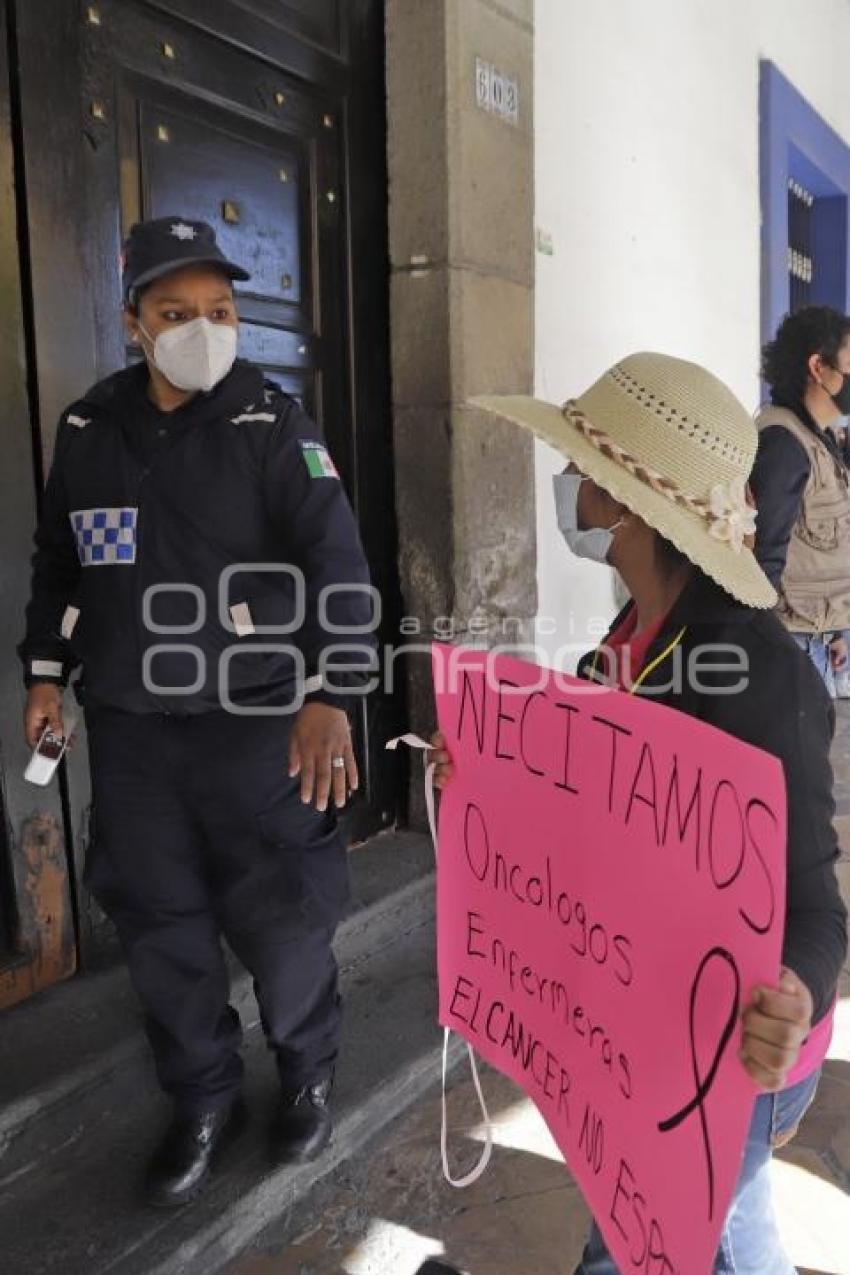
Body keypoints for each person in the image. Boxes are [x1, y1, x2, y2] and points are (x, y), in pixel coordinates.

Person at [432, 353, 847, 1272]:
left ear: (623, 505)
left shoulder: (760, 680)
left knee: (718, 1236)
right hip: (643, 1023)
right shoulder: (625, 646)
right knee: (634, 1214)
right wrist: (479, 775)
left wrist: (799, 995)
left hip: (732, 1050)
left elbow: (818, 909)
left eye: (582, 467)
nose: (568, 484)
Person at [19, 217, 375, 1207]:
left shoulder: (274, 425)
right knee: (162, 926)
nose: (204, 330)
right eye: (177, 313)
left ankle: (304, 1073)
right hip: (133, 737)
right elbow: (61, 564)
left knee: (288, 923)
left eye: (220, 311)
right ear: (133, 322)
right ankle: (203, 1097)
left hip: (260, 731)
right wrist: (45, 674)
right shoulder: (90, 430)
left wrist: (328, 691)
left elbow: (338, 572)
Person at [751, 306, 850, 697]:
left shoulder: (817, 439)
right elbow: (762, 564)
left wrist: (835, 630)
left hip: (815, 642)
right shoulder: (784, 444)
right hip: (790, 650)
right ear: (818, 366)